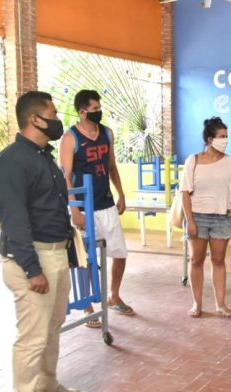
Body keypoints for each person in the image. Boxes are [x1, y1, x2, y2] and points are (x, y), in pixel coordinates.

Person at [0, 91, 80, 392]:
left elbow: (54, 209)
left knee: (52, 326)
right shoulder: (13, 161)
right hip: (32, 258)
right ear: (35, 119)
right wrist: (32, 269)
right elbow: (14, 220)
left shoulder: (43, 157)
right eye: (53, 114)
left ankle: (46, 385)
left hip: (55, 252)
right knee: (32, 336)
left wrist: (67, 255)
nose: (58, 120)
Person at [60, 89, 133, 326]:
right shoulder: (70, 138)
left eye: (99, 108)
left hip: (106, 203)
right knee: (86, 258)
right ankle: (88, 306)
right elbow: (65, 176)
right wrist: (74, 209)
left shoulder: (107, 133)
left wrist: (121, 193)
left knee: (119, 253)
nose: (98, 112)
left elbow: (111, 165)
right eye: (94, 109)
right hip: (84, 206)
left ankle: (114, 295)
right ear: (82, 112)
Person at [180, 117, 231, 318]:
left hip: (221, 218)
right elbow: (185, 192)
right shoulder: (193, 160)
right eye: (221, 136)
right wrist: (190, 221)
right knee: (196, 260)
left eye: (226, 137)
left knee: (218, 260)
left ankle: (220, 304)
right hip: (197, 217)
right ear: (209, 139)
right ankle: (197, 304)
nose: (225, 140)